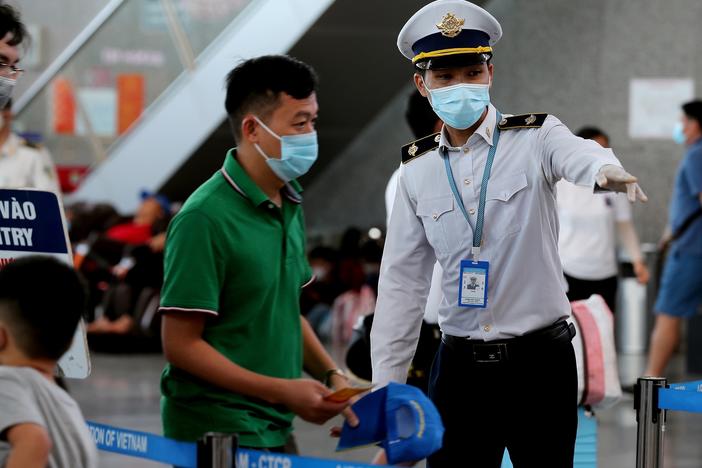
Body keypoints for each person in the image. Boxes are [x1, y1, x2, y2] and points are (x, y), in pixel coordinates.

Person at [370, 1, 647, 466]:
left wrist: (604, 168)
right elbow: (401, 285)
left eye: (471, 71)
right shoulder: (416, 171)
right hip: (457, 370)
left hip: (539, 365)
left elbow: (575, 152)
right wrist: (387, 389)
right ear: (423, 85)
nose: (461, 86)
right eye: (445, 77)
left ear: (490, 72)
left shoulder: (536, 137)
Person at [159, 55, 356, 451]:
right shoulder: (204, 218)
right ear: (253, 129)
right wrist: (281, 390)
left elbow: (283, 310)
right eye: (299, 123)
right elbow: (180, 345)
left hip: (273, 424)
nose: (311, 133)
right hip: (217, 430)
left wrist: (333, 376)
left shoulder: (288, 202)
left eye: (312, 121)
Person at [0, 256, 98, 467]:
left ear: (1, 336)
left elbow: (34, 441)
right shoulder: (68, 408)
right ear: (72, 340)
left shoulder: (6, 381)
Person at [556, 127, 649, 311]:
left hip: (605, 273)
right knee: (572, 332)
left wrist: (638, 261)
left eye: (605, 149)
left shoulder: (615, 183)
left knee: (603, 332)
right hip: (568, 271)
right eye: (597, 148)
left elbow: (624, 226)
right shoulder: (561, 184)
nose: (601, 155)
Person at [644, 100, 702, 378]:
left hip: (692, 249)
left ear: (695, 125)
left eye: (684, 122)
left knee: (669, 312)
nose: (681, 127)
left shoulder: (697, 155)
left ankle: (652, 378)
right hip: (689, 244)